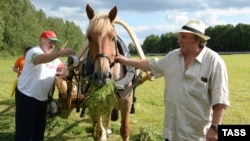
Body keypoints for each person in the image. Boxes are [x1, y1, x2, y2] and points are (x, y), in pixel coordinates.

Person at [114, 19, 230, 141]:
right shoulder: (173, 56)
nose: (179, 40)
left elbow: (220, 100)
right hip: (171, 133)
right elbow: (150, 65)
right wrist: (125, 61)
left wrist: (215, 128)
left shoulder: (214, 62)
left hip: (197, 135)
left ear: (197, 39)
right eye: (179, 37)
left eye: (183, 37)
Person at [15, 30, 74, 141]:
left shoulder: (54, 58)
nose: (52, 45)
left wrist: (65, 70)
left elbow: (61, 66)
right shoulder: (34, 51)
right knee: (25, 131)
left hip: (42, 98)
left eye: (54, 43)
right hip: (26, 96)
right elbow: (40, 59)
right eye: (50, 41)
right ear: (41, 40)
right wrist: (60, 53)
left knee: (39, 130)